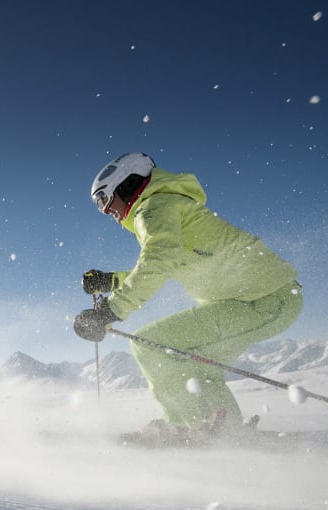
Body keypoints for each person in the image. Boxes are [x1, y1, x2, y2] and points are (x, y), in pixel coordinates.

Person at [74, 153, 302, 445]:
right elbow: (166, 263)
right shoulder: (165, 207)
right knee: (199, 366)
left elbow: (158, 262)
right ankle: (225, 431)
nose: (105, 211)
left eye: (104, 200)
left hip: (267, 299)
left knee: (150, 346)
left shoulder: (154, 208)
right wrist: (111, 280)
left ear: (128, 185)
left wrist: (111, 311)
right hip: (259, 300)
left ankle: (185, 428)